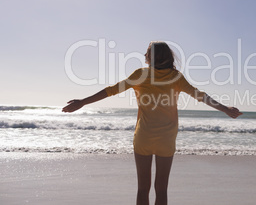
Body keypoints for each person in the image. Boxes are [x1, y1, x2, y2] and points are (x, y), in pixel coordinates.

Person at [62, 41, 242, 205]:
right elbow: (200, 95)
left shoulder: (141, 74)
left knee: (142, 189)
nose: (144, 56)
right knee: (161, 190)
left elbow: (111, 90)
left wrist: (83, 102)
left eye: (146, 52)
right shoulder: (176, 77)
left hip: (144, 137)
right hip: (166, 139)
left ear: (152, 56)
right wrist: (225, 109)